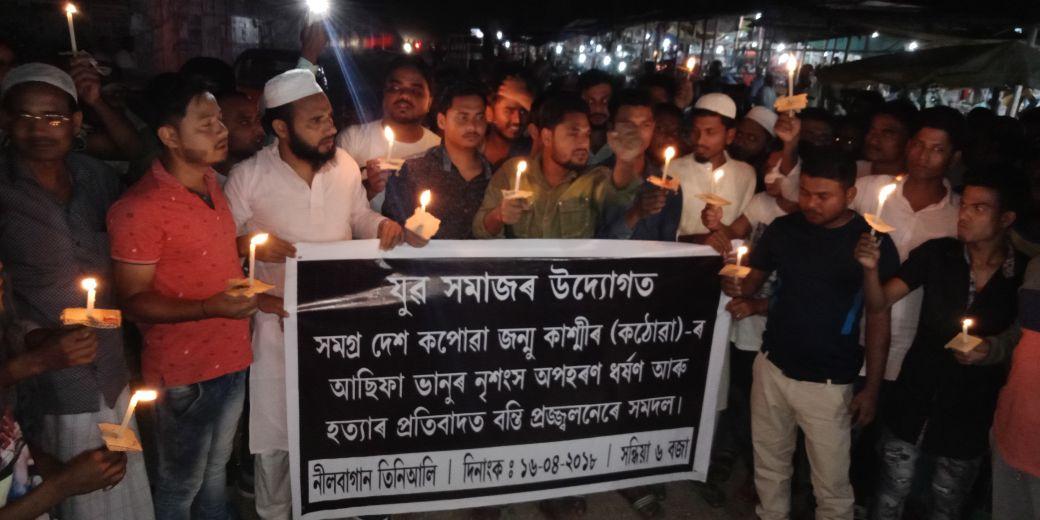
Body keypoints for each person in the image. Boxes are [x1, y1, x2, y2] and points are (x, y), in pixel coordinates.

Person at [224, 69, 411, 520]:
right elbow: (219, 249)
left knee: (338, 418)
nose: (330, 127)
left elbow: (357, 216)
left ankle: (339, 505)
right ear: (281, 128)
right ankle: (275, 512)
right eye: (315, 121)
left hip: (338, 323)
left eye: (329, 117)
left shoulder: (343, 165)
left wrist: (381, 225)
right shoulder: (247, 177)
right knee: (276, 432)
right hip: (277, 325)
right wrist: (248, 246)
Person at [107, 74, 276, 520]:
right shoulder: (139, 208)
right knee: (180, 483)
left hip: (232, 355)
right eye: (206, 124)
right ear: (169, 136)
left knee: (215, 468)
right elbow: (133, 300)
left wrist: (248, 259)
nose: (221, 130)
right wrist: (208, 308)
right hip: (185, 372)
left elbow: (203, 260)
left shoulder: (212, 184)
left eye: (220, 120)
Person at [0, 63, 154, 520]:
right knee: (73, 492)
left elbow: (144, 156)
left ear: (75, 122)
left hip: (110, 364)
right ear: (5, 121)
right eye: (25, 117)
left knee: (123, 483)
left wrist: (99, 100)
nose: (39, 130)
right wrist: (34, 340)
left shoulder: (95, 178)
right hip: (51, 375)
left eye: (53, 117)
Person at [723, 146, 900, 520]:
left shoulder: (870, 241)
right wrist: (735, 282)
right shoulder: (784, 229)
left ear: (849, 194)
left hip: (828, 381)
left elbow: (877, 313)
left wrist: (871, 388)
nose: (810, 203)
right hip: (772, 365)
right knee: (769, 464)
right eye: (804, 192)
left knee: (831, 485)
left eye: (823, 196)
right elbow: (751, 284)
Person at [855, 172, 1026, 520]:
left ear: (1006, 218)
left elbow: (1021, 341)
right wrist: (870, 270)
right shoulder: (938, 254)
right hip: (914, 397)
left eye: (979, 208)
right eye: (964, 205)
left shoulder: (1021, 275)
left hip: (971, 410)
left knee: (947, 504)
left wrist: (989, 350)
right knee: (889, 495)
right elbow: (879, 303)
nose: (965, 215)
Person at [473, 92, 643, 240]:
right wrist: (498, 215)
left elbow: (619, 198)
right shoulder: (512, 173)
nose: (584, 143)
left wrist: (625, 160)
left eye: (587, 134)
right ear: (547, 137)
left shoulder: (595, 179)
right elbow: (480, 231)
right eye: (573, 134)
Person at [384, 81, 493, 239]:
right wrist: (408, 235)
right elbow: (393, 228)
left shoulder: (496, 176)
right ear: (442, 121)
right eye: (463, 117)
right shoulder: (414, 172)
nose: (472, 126)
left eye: (479, 117)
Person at [336, 57, 440, 211]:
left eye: (415, 91)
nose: (404, 95)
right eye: (395, 88)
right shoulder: (352, 139)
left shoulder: (438, 148)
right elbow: (334, 203)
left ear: (429, 102)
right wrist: (369, 188)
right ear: (384, 94)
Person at [670, 93, 756, 243]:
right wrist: (697, 240)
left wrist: (717, 228)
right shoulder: (673, 169)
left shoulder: (745, 174)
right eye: (696, 131)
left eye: (710, 132)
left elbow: (738, 234)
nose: (699, 140)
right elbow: (660, 231)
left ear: (729, 135)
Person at [483, 74, 533, 168]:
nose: (517, 120)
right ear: (489, 113)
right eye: (509, 111)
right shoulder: (471, 148)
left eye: (523, 111)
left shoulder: (531, 151)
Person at [215, 91, 264, 179]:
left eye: (257, 120)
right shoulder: (201, 182)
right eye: (244, 122)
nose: (259, 129)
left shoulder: (271, 172)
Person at [862, 101, 918, 178]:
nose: (873, 140)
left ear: (909, 143)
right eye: (872, 130)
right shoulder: (852, 172)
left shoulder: (916, 182)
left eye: (887, 134)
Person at [729, 106, 778, 188]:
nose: (740, 143)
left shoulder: (767, 183)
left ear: (767, 144)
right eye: (739, 134)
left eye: (751, 138)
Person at [578, 69, 614, 166]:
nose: (598, 108)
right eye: (591, 102)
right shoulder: (569, 146)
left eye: (605, 101)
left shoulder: (622, 146)